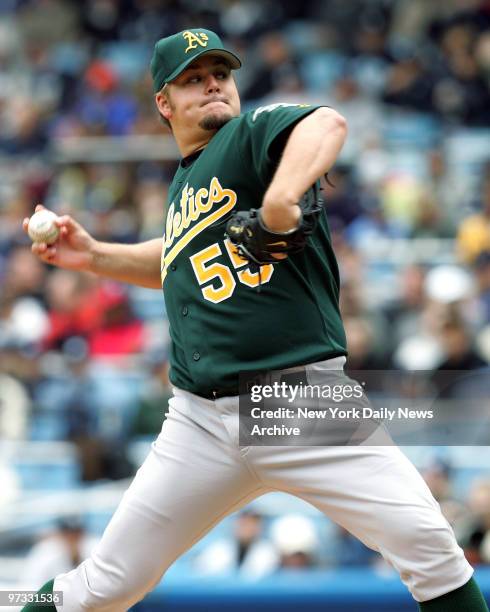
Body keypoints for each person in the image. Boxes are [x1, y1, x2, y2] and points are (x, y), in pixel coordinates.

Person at [22, 28, 487, 612]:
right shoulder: (185, 185)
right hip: (197, 422)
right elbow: (174, 260)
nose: (212, 83)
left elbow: (326, 124)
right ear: (163, 103)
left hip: (296, 401)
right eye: (193, 78)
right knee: (106, 584)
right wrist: (94, 256)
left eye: (220, 73)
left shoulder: (248, 137)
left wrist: (280, 198)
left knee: (429, 548)